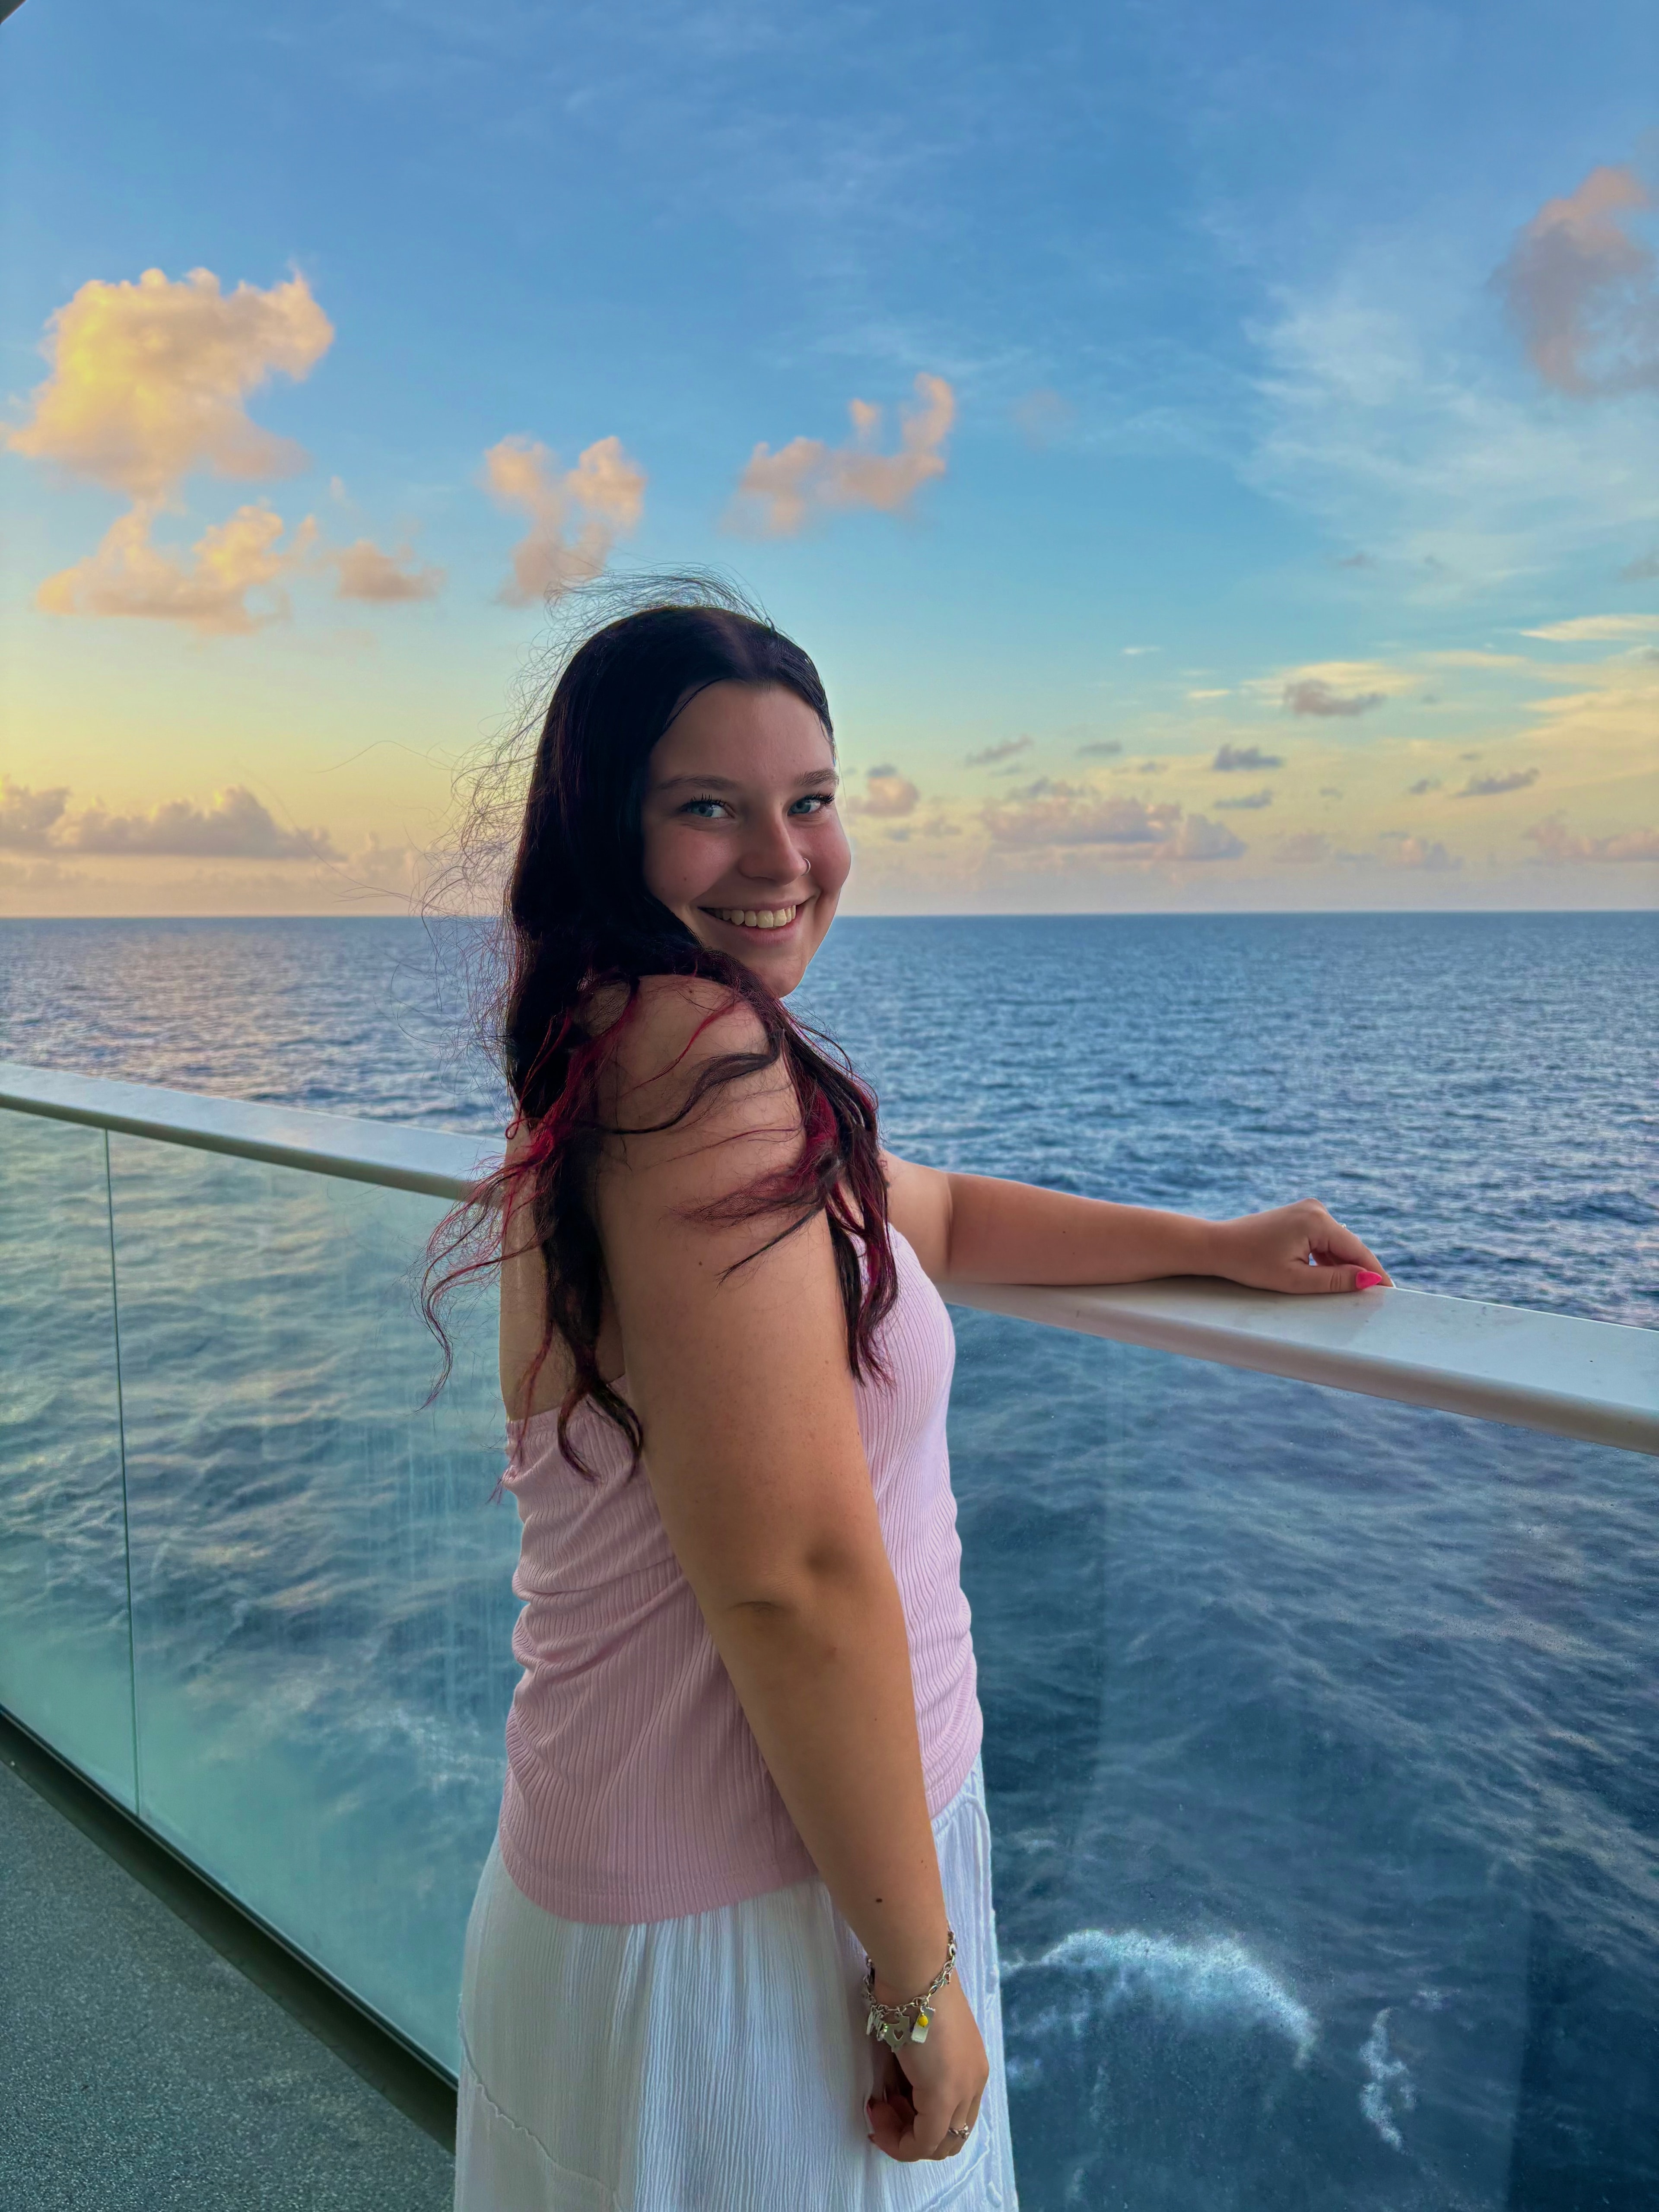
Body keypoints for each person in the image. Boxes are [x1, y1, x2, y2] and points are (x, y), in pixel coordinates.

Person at [429, 586, 1392, 2211]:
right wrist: (915, 1984)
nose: (783, 856)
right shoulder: (695, 1063)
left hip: (703, 1877)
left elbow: (923, 1214)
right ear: (608, 830)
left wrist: (1214, 1244)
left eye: (810, 800)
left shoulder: (637, 1055)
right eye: (709, 808)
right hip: (745, 1921)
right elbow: (791, 1577)